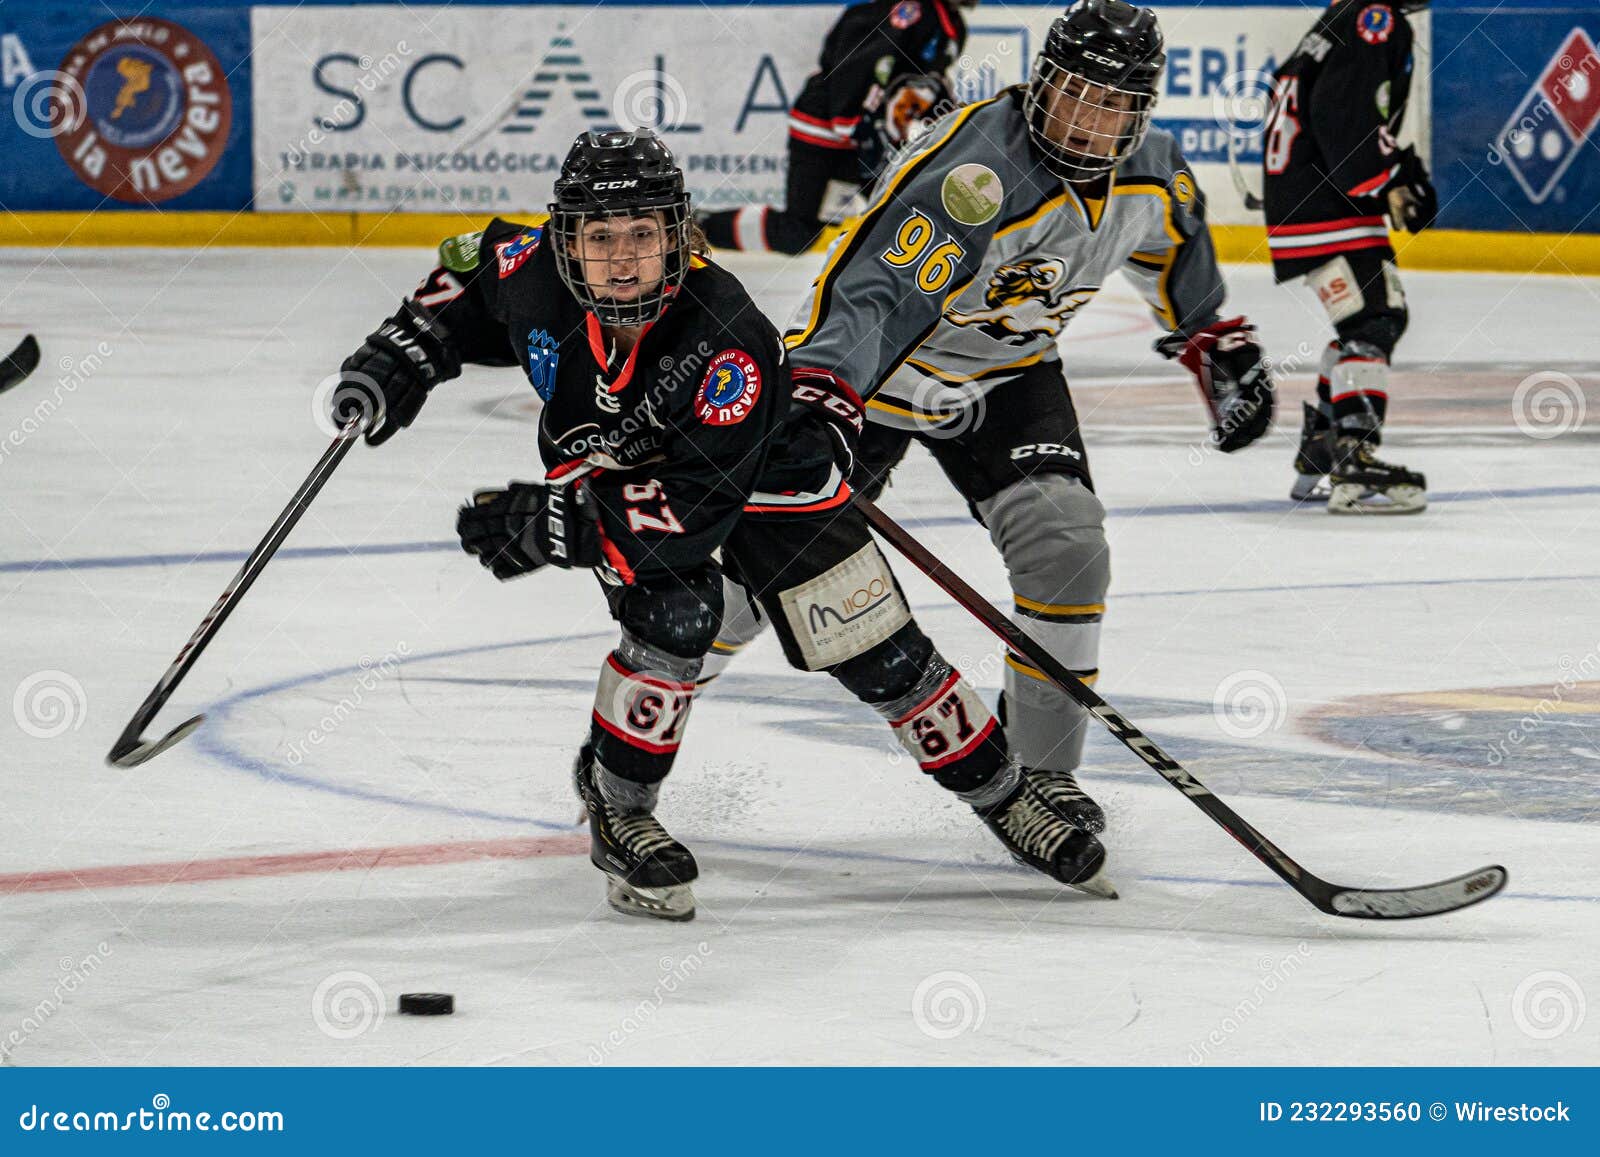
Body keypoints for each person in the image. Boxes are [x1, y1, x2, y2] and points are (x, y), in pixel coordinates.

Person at [330, 129, 1112, 923]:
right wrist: (403, 353)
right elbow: (463, 274)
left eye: (645, 234)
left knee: (879, 648)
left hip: (762, 484)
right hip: (641, 473)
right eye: (601, 238)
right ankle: (620, 806)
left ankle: (1008, 795)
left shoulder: (725, 335)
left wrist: (558, 526)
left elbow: (691, 512)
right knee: (677, 613)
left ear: (679, 236)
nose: (625, 258)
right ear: (566, 242)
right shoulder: (529, 270)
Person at [701, 0, 1274, 836]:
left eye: (1115, 105)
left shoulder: (1153, 168)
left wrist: (1212, 335)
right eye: (1077, 95)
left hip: (1006, 374)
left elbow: (1174, 238)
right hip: (881, 374)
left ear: (1142, 112)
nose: (1091, 120)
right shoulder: (977, 172)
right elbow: (877, 293)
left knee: (1070, 548)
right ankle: (656, 689)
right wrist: (823, 388)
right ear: (1042, 84)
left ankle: (1044, 773)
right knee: (763, 572)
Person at [1262, 0, 1435, 513]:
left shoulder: (1337, 19)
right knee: (1376, 320)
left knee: (1364, 321)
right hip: (1329, 205)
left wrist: (1389, 172)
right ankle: (1354, 458)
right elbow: (1346, 114)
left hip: (1307, 202)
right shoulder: (1371, 19)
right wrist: (1388, 177)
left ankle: (1320, 449)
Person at [698, 0, 973, 254]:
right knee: (800, 234)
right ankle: (698, 227)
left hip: (866, 139)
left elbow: (923, 84)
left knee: (905, 209)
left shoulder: (949, 23)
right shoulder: (913, 9)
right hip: (825, 128)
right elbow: (861, 61)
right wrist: (851, 121)